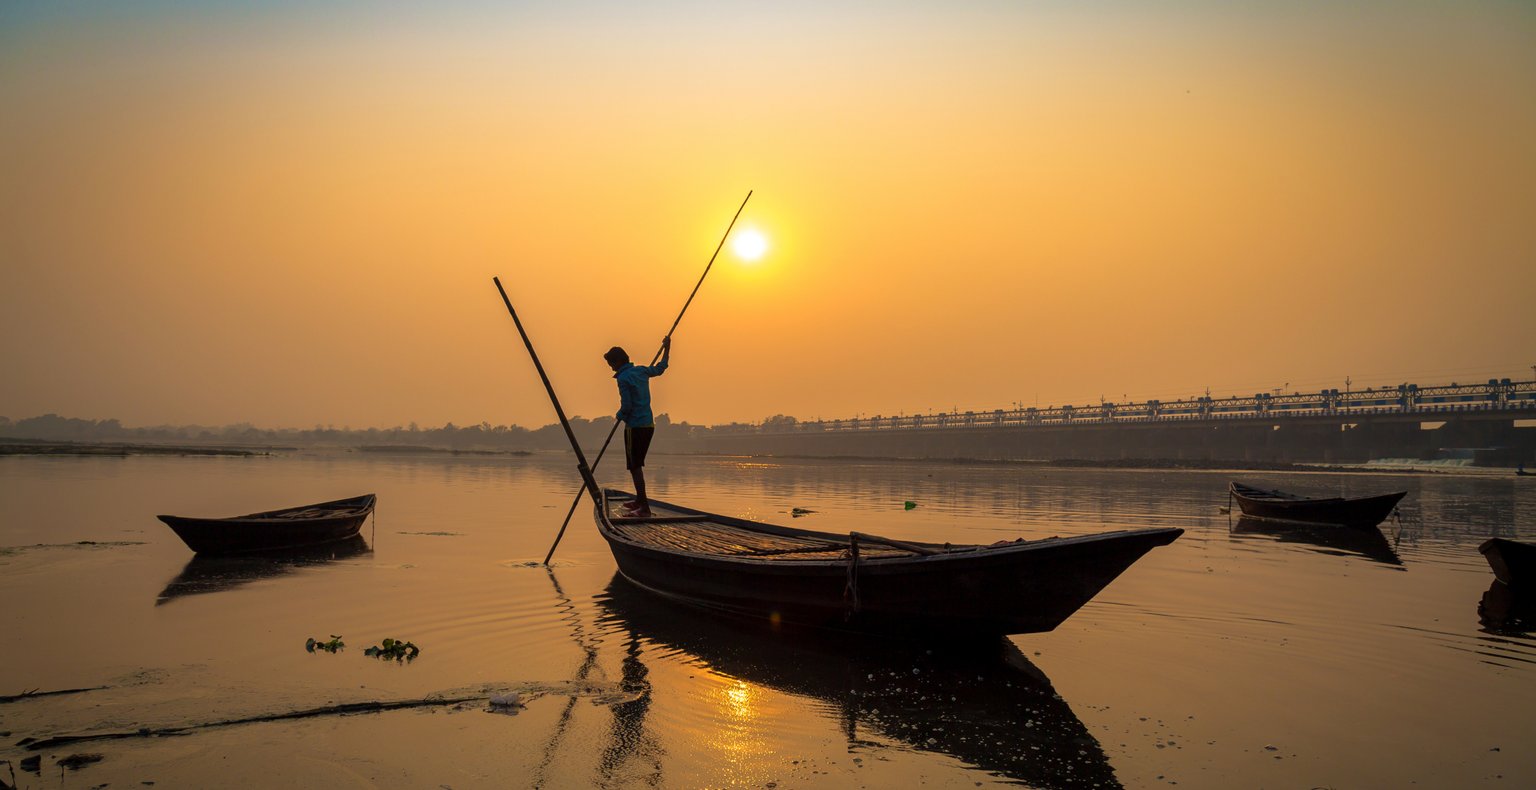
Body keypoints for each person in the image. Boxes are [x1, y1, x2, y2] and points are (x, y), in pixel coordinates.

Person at [605, 336, 670, 517]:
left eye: (611, 364)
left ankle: (645, 508)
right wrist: (667, 348)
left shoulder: (623, 378)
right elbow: (660, 368)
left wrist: (618, 416)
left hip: (634, 427)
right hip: (649, 424)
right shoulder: (641, 371)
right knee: (636, 465)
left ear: (618, 362)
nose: (611, 368)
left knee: (635, 467)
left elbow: (627, 407)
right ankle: (640, 501)